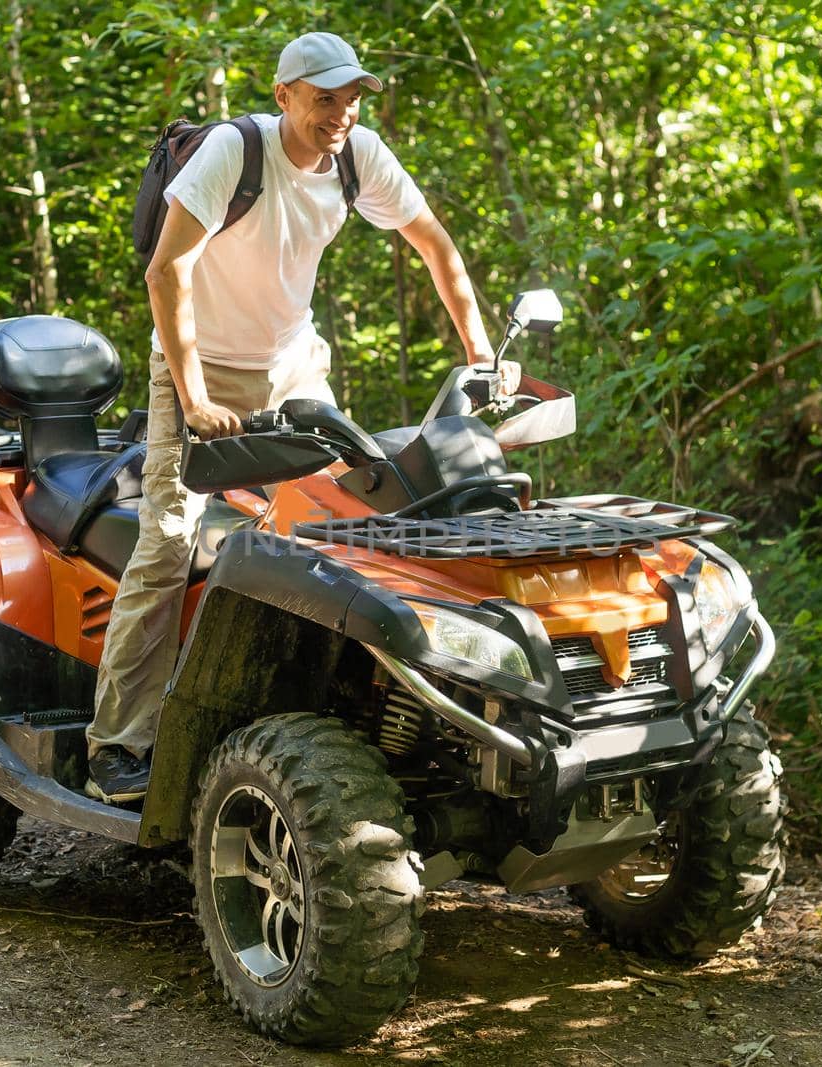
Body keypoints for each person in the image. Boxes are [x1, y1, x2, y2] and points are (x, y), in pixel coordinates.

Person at [85, 31, 511, 802]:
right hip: (198, 366)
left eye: (352, 97)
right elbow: (166, 270)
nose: (342, 112)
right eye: (325, 98)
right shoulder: (233, 152)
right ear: (284, 95)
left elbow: (434, 245)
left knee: (344, 531)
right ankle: (120, 742)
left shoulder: (359, 154)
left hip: (292, 368)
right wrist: (193, 400)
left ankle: (336, 716)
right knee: (169, 541)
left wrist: (481, 356)